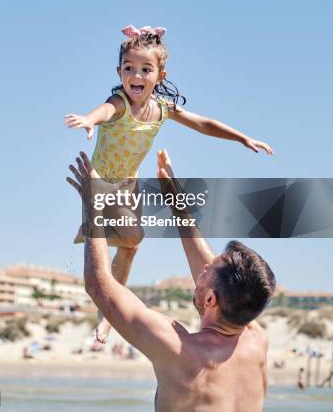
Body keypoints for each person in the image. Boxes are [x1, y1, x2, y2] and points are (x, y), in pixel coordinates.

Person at [65, 25, 274, 343]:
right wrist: (89, 120)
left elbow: (202, 123)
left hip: (127, 184)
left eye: (145, 69)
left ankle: (107, 317)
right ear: (119, 71)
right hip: (100, 183)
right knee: (122, 243)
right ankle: (105, 300)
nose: (136, 75)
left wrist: (241, 137)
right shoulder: (120, 102)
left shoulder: (162, 109)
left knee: (132, 245)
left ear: (160, 75)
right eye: (129, 68)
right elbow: (105, 110)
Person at [67, 150, 276, 411]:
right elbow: (225, 283)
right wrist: (175, 199)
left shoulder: (178, 348)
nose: (203, 267)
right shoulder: (256, 340)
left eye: (207, 270)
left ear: (211, 299)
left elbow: (99, 284)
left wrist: (93, 206)